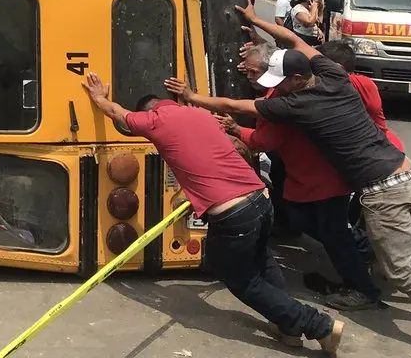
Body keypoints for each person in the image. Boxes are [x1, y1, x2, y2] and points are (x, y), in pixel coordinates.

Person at [175, 1, 411, 357]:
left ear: (298, 79)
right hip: (404, 169)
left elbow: (236, 107)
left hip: (382, 189)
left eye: (280, 82)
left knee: (401, 272)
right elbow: (293, 38)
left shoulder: (296, 105)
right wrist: (256, 21)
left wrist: (193, 97)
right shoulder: (332, 74)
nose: (276, 88)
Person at [81, 72, 343, 352]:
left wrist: (99, 97)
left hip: (233, 213)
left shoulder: (155, 120)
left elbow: (118, 114)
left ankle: (319, 326)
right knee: (262, 260)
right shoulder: (200, 115)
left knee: (240, 278)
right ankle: (288, 327)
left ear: (149, 111)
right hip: (261, 199)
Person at [216, 47, 383, 310]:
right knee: (316, 224)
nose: (250, 76)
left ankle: (364, 286)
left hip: (324, 179)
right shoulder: (294, 92)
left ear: (293, 78)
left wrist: (235, 128)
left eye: (254, 71)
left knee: (332, 233)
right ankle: (365, 251)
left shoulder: (284, 102)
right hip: (320, 175)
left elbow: (265, 140)